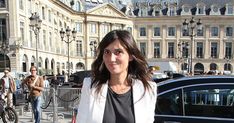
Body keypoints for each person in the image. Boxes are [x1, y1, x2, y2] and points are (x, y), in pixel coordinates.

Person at [77, 30, 157, 123]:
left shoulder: (147, 89)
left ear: (130, 56)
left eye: (118, 52)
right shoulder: (90, 86)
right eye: (107, 52)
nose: (111, 58)